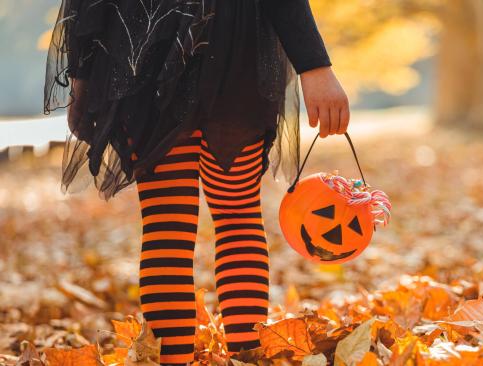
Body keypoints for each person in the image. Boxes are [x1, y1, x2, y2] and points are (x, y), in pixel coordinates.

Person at [43, 0, 349, 364]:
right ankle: (245, 358)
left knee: (173, 223)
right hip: (202, 46)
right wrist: (314, 64)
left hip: (155, 45)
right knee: (232, 218)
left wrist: (83, 69)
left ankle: (214, 357)